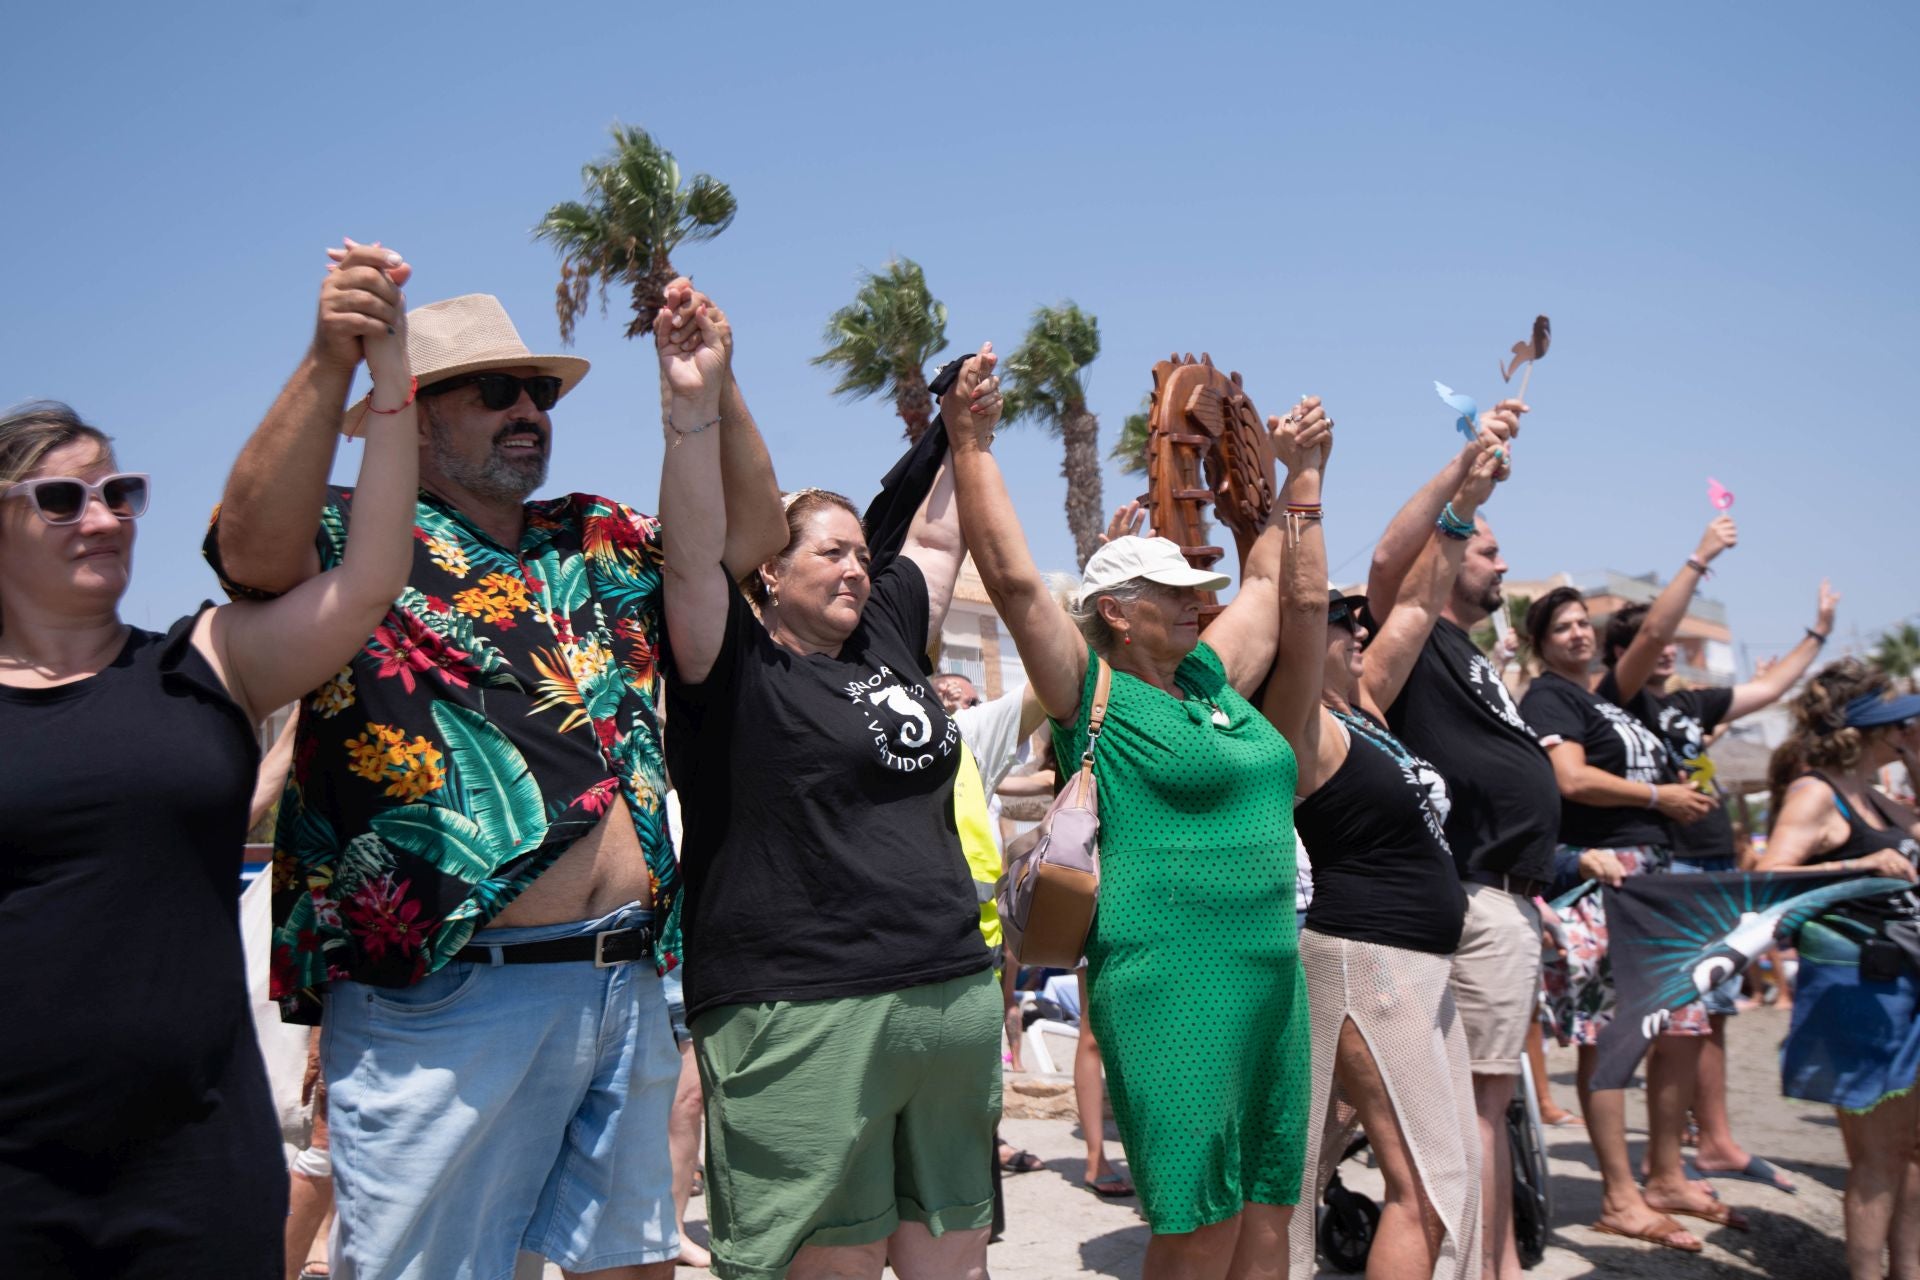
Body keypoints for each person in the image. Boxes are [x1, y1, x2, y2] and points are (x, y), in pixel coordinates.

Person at [203, 246, 785, 1280]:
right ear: (416, 412)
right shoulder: (349, 533)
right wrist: (333, 360)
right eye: (496, 392)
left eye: (539, 393)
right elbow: (248, 550)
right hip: (445, 1001)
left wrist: (714, 390)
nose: (531, 410)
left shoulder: (591, 533)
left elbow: (749, 536)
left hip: (619, 982)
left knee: (637, 1270)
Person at [0, 254, 420, 1276]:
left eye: (119, 491)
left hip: (196, 1165)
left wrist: (380, 374)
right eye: (61, 497)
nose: (102, 517)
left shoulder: (206, 664)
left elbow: (369, 580)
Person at [953, 381, 1330, 1280]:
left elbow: (1278, 580)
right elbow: (1008, 579)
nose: (1199, 599)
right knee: (1197, 1222)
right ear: (1117, 611)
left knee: (1271, 1206)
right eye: (1172, 591)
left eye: (1198, 587)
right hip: (1169, 980)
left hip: (1274, 976)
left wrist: (1302, 474)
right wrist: (971, 445)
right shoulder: (1093, 694)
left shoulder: (1213, 680)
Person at [661, 308, 1002, 1280]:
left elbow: (936, 535)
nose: (858, 563)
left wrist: (964, 429)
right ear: (769, 568)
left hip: (944, 989)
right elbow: (701, 544)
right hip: (804, 1005)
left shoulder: (886, 632)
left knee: (955, 1263)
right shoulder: (733, 658)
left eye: (862, 549)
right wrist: (710, 393)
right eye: (830, 551)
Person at [1282, 438, 1511, 1279]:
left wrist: (1463, 500)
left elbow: (1415, 604)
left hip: (1420, 966)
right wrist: (1303, 486)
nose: (1360, 626)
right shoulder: (1304, 727)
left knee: (1447, 1172)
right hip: (1363, 959)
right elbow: (1303, 609)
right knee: (1423, 1181)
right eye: (1345, 621)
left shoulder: (1367, 703)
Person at [1517, 515, 1741, 1254]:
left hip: (1658, 876)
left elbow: (1649, 639)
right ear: (1539, 643)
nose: (1579, 633)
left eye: (1586, 622)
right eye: (1563, 626)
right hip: (1606, 875)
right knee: (1614, 1039)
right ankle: (1618, 1194)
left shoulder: (1611, 696)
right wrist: (1660, 799)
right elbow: (1570, 778)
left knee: (1680, 1027)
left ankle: (1668, 1174)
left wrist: (1700, 561)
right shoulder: (1553, 699)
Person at [1368, 401, 1546, 1280]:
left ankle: (1497, 1261)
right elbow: (1388, 559)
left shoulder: (1472, 653)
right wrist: (1462, 478)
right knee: (1475, 1105)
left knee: (1488, 1105)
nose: (1499, 557)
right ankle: (1489, 1270)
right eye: (1484, 547)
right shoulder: (1419, 635)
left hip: (1501, 896)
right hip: (1471, 891)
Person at [1601, 580, 1841, 1194]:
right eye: (1656, 641)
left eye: (1674, 642)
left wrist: (1816, 633)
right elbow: (1651, 634)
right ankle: (1670, 1157)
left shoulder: (1695, 704)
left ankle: (1716, 1141)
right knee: (1682, 1018)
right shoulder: (1620, 702)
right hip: (1670, 873)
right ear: (1625, 652)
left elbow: (1769, 688)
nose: (1668, 649)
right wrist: (1702, 559)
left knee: (1716, 1014)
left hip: (1715, 871)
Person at [1758, 662, 1920, 1280]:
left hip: (1902, 987)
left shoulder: (1875, 793)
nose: (1903, 725)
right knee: (1878, 1157)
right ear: (1859, 728)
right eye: (1892, 718)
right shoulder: (1815, 792)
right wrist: (1857, 868)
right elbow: (1767, 882)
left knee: (1913, 1150)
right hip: (1857, 989)